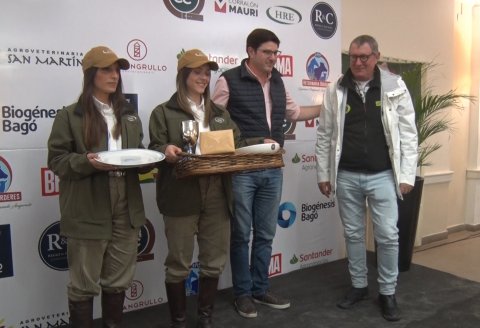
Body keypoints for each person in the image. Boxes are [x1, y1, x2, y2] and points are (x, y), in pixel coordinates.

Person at [212, 28, 320, 318]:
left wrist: (328, 107)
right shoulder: (228, 79)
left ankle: (260, 289)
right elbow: (214, 128)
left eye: (276, 52)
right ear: (250, 51)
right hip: (242, 170)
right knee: (241, 235)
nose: (273, 57)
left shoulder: (278, 82)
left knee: (266, 234)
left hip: (273, 168)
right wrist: (247, 144)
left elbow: (295, 114)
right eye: (267, 52)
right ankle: (243, 294)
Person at [315, 35, 418, 321]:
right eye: (353, 57)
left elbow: (409, 133)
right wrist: (324, 173)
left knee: (387, 235)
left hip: (383, 175)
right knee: (354, 234)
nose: (358, 63)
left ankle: (387, 292)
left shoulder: (394, 86)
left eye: (364, 57)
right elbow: (324, 135)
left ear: (376, 57)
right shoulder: (335, 88)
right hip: (346, 175)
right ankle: (359, 286)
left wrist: (407, 174)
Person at [47, 46, 148, 327]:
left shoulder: (129, 115)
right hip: (87, 204)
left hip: (126, 204)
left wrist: (146, 162)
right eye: (106, 69)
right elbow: (57, 161)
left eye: (117, 70)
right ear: (91, 74)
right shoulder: (69, 116)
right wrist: (88, 162)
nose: (114, 75)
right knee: (83, 283)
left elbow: (136, 152)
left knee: (118, 281)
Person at [148, 49, 244, 328]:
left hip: (217, 191)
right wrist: (165, 149)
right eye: (197, 72)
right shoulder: (163, 113)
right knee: (178, 260)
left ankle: (205, 318)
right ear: (183, 75)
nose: (204, 77)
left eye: (207, 72)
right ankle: (178, 321)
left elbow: (236, 142)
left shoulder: (220, 113)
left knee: (213, 259)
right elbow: (154, 147)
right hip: (180, 193)